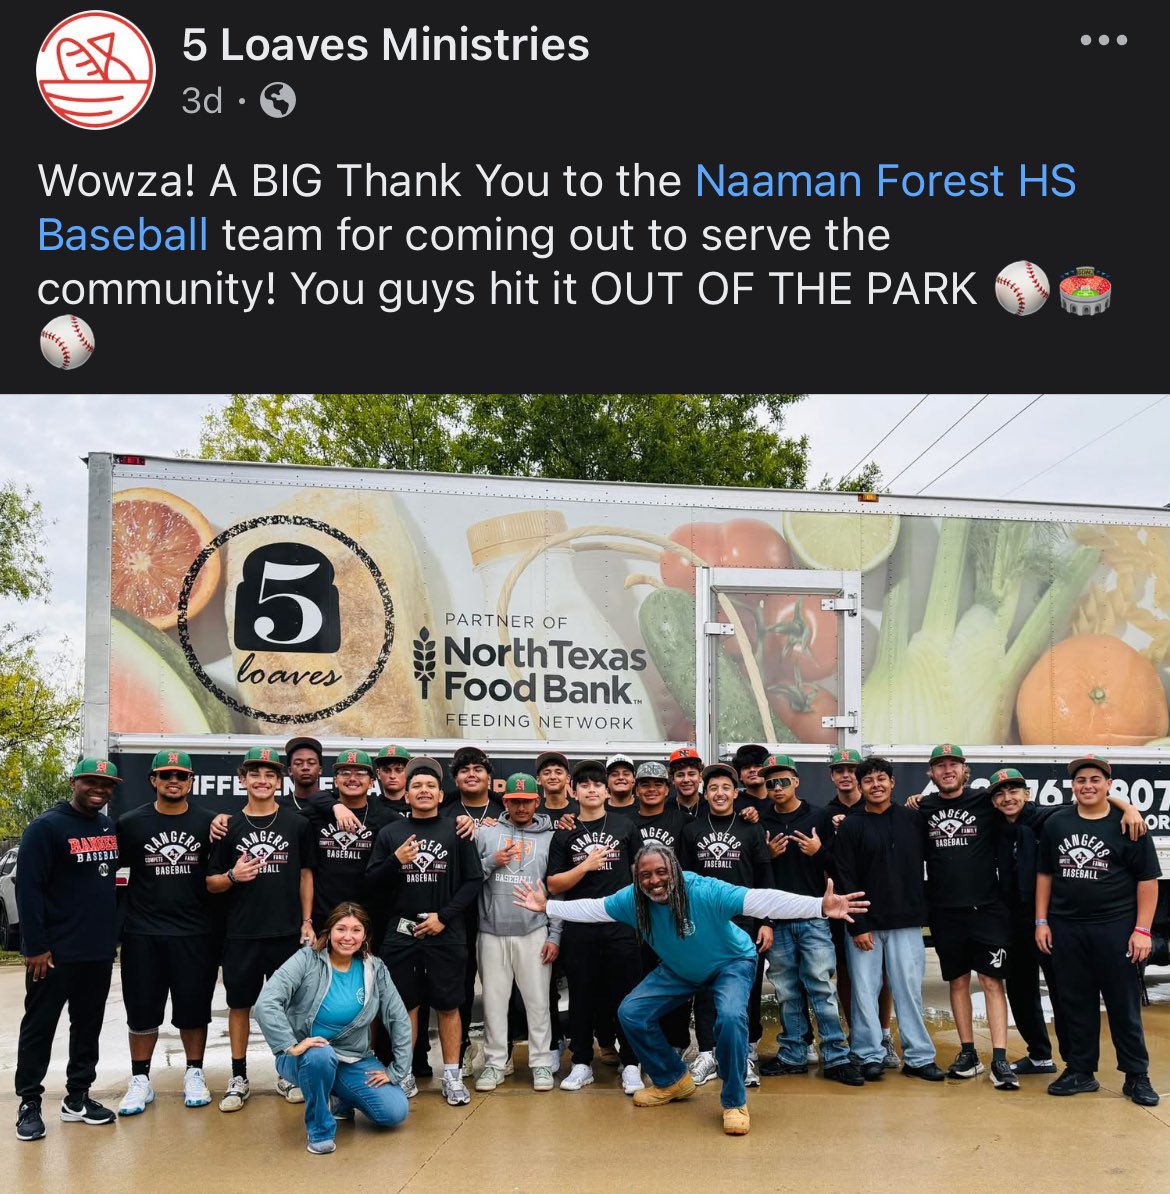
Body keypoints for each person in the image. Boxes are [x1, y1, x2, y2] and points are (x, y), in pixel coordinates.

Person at [515, 844, 867, 1135]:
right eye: (645, 875)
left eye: (661, 872)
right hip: (681, 970)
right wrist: (547, 906)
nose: (654, 881)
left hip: (731, 962)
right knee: (631, 1012)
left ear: (676, 870)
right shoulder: (630, 900)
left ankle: (734, 1101)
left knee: (729, 1019)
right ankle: (673, 1080)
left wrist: (818, 905)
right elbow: (592, 908)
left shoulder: (705, 890)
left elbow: (762, 900)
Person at [1036, 755, 1160, 1106]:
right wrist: (1041, 922)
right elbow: (1045, 874)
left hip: (1115, 929)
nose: (1087, 786)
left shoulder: (1129, 825)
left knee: (1123, 1004)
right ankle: (1080, 1071)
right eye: (1080, 781)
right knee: (1075, 1003)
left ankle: (1137, 1076)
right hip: (1067, 928)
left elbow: (1148, 881)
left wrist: (1143, 931)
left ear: (1108, 784)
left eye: (1095, 779)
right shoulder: (1056, 823)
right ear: (1072, 786)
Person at [366, 755, 484, 1106]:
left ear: (439, 793)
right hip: (401, 932)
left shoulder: (457, 829)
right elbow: (372, 882)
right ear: (406, 794)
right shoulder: (391, 834)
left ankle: (451, 1073)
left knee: (450, 1006)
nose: (423, 790)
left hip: (446, 931)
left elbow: (473, 880)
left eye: (430, 785)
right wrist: (395, 861)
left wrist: (443, 917)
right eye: (416, 785)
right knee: (405, 1007)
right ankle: (403, 1074)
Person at [15, 758, 121, 1142]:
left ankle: (78, 1097)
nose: (100, 789)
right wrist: (37, 947)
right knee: (39, 1029)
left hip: (96, 951)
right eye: (92, 781)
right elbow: (27, 891)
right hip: (54, 955)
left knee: (88, 1027)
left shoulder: (108, 827)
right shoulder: (46, 827)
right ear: (74, 781)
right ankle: (29, 1102)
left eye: (107, 784)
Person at [207, 746, 316, 1112]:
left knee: (287, 1007)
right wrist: (233, 876)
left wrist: (306, 921)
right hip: (241, 932)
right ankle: (239, 1076)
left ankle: (286, 1072)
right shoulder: (228, 827)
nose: (262, 781)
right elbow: (211, 884)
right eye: (255, 774)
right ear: (242, 780)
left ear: (279, 781)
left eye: (270, 775)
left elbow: (305, 875)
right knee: (240, 1005)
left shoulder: (296, 824)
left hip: (286, 931)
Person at [254, 902, 412, 1154]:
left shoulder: (375, 968)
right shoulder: (306, 959)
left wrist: (398, 1071)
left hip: (353, 1058)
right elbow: (266, 1002)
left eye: (356, 930)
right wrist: (290, 1045)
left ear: (365, 936)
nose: (348, 937)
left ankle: (339, 1097)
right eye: (341, 929)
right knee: (320, 1054)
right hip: (305, 1057)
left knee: (394, 1112)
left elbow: (398, 1018)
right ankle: (319, 1130)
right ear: (329, 932)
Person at [114, 750, 218, 1116]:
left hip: (194, 933)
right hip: (143, 932)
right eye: (166, 775)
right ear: (153, 781)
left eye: (181, 775)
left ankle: (194, 1072)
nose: (174, 781)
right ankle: (140, 1080)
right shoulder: (129, 824)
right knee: (141, 1012)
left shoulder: (209, 824)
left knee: (193, 1011)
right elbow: (115, 880)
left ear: (191, 782)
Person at [833, 756, 945, 1083]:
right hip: (865, 924)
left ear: (893, 783)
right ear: (860, 786)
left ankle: (919, 1057)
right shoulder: (852, 825)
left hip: (907, 921)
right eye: (868, 780)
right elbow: (844, 877)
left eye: (882, 779)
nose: (876, 785)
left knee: (909, 991)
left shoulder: (913, 820)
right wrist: (858, 925)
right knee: (865, 991)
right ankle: (868, 1055)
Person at [915, 743, 1018, 1088]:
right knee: (957, 982)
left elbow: (1023, 808)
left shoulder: (984, 802)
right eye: (940, 766)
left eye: (953, 765)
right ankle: (968, 1052)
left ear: (964, 770)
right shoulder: (923, 807)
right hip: (945, 911)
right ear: (931, 774)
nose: (947, 770)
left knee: (991, 981)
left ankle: (1001, 1060)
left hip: (986, 908)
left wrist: (1122, 806)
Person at [757, 755, 860, 1086]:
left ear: (797, 781)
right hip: (777, 916)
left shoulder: (821, 816)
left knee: (821, 987)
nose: (776, 788)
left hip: (814, 915)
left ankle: (836, 1056)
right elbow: (754, 870)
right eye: (770, 782)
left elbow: (840, 863)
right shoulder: (759, 820)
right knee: (786, 991)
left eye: (783, 781)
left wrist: (819, 851)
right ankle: (793, 1054)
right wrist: (766, 855)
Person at [547, 758, 646, 1095]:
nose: (591, 789)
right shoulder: (565, 833)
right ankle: (581, 1064)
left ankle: (631, 1063)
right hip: (580, 925)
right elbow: (554, 884)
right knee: (581, 997)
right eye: (584, 784)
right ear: (573, 791)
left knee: (627, 997)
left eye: (597, 784)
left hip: (620, 923)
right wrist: (586, 866)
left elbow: (640, 872)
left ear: (607, 791)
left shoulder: (624, 827)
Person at [680, 762, 772, 1089]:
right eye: (713, 788)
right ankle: (707, 1052)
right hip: (703, 923)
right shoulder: (691, 830)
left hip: (744, 923)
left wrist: (765, 922)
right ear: (705, 794)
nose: (719, 794)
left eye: (726, 788)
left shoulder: (751, 829)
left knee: (745, 991)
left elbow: (764, 879)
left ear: (736, 793)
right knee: (704, 990)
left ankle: (742, 1055)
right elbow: (683, 880)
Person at [474, 773, 562, 1092]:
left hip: (534, 929)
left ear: (536, 802)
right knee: (495, 1003)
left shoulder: (552, 837)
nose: (521, 807)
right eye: (514, 801)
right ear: (505, 801)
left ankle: (540, 1063)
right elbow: (470, 877)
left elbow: (557, 891)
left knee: (538, 1002)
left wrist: (555, 935)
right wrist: (490, 862)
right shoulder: (487, 834)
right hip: (492, 930)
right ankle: (496, 1063)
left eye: (527, 801)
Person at [825, 747, 899, 1069]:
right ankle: (859, 1036)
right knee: (847, 973)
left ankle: (883, 1035)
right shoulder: (822, 813)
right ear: (833, 776)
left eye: (849, 769)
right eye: (839, 770)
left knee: (883, 976)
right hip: (839, 907)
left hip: (883, 910)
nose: (844, 775)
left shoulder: (891, 812)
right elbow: (835, 864)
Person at [987, 767, 1062, 1077]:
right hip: (1013, 921)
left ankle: (1079, 1063)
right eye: (1000, 794)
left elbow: (1097, 804)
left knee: (1062, 990)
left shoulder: (1050, 819)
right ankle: (1040, 1056)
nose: (1007, 798)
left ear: (1027, 794)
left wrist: (1127, 809)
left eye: (1013, 791)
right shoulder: (995, 827)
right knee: (1020, 990)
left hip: (1050, 920)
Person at [441, 745, 504, 1078]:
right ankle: (463, 1048)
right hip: (460, 911)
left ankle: (501, 1050)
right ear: (455, 778)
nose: (471, 774)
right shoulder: (445, 811)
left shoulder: (504, 810)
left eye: (478, 769)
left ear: (489, 777)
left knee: (499, 986)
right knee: (462, 985)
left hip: (499, 909)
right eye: (464, 770)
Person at [283, 736, 325, 816]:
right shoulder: (279, 806)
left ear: (320, 770)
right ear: (290, 770)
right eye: (298, 763)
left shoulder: (333, 802)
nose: (305, 767)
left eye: (311, 763)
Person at [536, 750, 578, 819]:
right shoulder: (534, 814)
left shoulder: (579, 814)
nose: (553, 777)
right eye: (546, 773)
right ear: (538, 780)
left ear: (568, 778)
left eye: (558, 773)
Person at [374, 744, 412, 816]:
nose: (392, 776)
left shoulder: (418, 804)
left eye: (399, 770)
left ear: (408, 773)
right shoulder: (370, 806)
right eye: (386, 770)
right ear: (378, 774)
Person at [667, 748, 705, 817]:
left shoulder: (711, 806)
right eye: (680, 775)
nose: (686, 780)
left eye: (691, 774)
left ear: (700, 777)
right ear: (673, 779)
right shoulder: (665, 809)